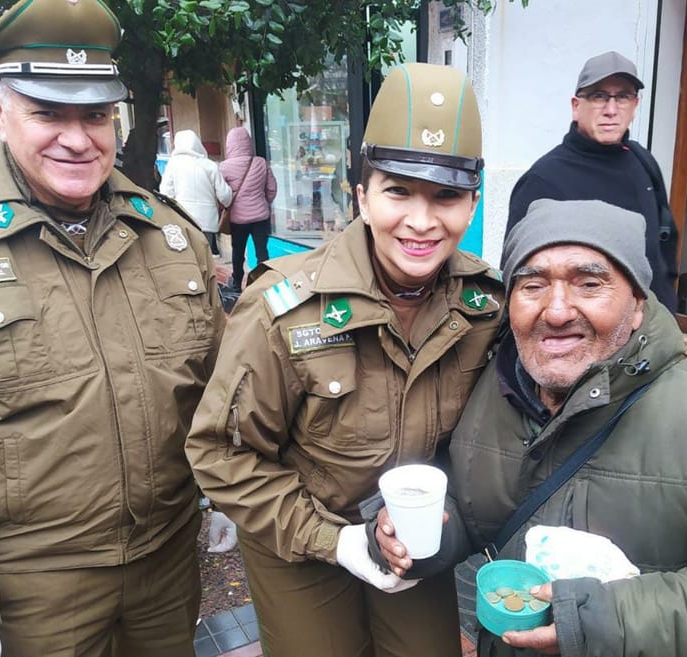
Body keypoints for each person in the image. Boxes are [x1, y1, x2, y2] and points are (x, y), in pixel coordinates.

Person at [0, 1, 227, 655]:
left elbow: (220, 389)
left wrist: (226, 493)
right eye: (48, 113)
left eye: (95, 115)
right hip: (33, 587)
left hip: (168, 565)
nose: (78, 139)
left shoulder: (170, 236)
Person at [372, 198, 687, 656]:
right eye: (532, 285)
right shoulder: (490, 387)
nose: (556, 311)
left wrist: (603, 620)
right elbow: (471, 506)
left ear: (637, 304)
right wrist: (414, 534)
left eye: (589, 284)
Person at [185, 62, 505, 657]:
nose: (421, 221)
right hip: (300, 534)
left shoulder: (485, 306)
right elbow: (221, 452)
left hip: (412, 533)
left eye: (446, 196)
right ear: (361, 196)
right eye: (397, 190)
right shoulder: (284, 308)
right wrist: (337, 542)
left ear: (472, 205)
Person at [506, 51, 679, 312]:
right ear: (576, 106)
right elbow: (521, 282)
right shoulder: (544, 179)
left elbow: (664, 244)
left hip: (654, 322)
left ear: (635, 105)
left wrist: (668, 307)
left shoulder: (643, 161)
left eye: (623, 97)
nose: (611, 110)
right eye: (599, 96)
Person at [219, 126, 277, 290]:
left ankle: (237, 283)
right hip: (261, 217)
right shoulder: (260, 162)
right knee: (262, 252)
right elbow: (272, 189)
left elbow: (222, 195)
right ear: (248, 143)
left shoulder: (224, 167)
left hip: (238, 219)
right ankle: (264, 283)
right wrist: (264, 202)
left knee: (238, 252)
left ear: (229, 144)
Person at [160, 129, 234, 256]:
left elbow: (166, 193)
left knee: (188, 258)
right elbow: (225, 196)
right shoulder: (210, 165)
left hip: (183, 219)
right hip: (207, 221)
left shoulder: (173, 165)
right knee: (206, 258)